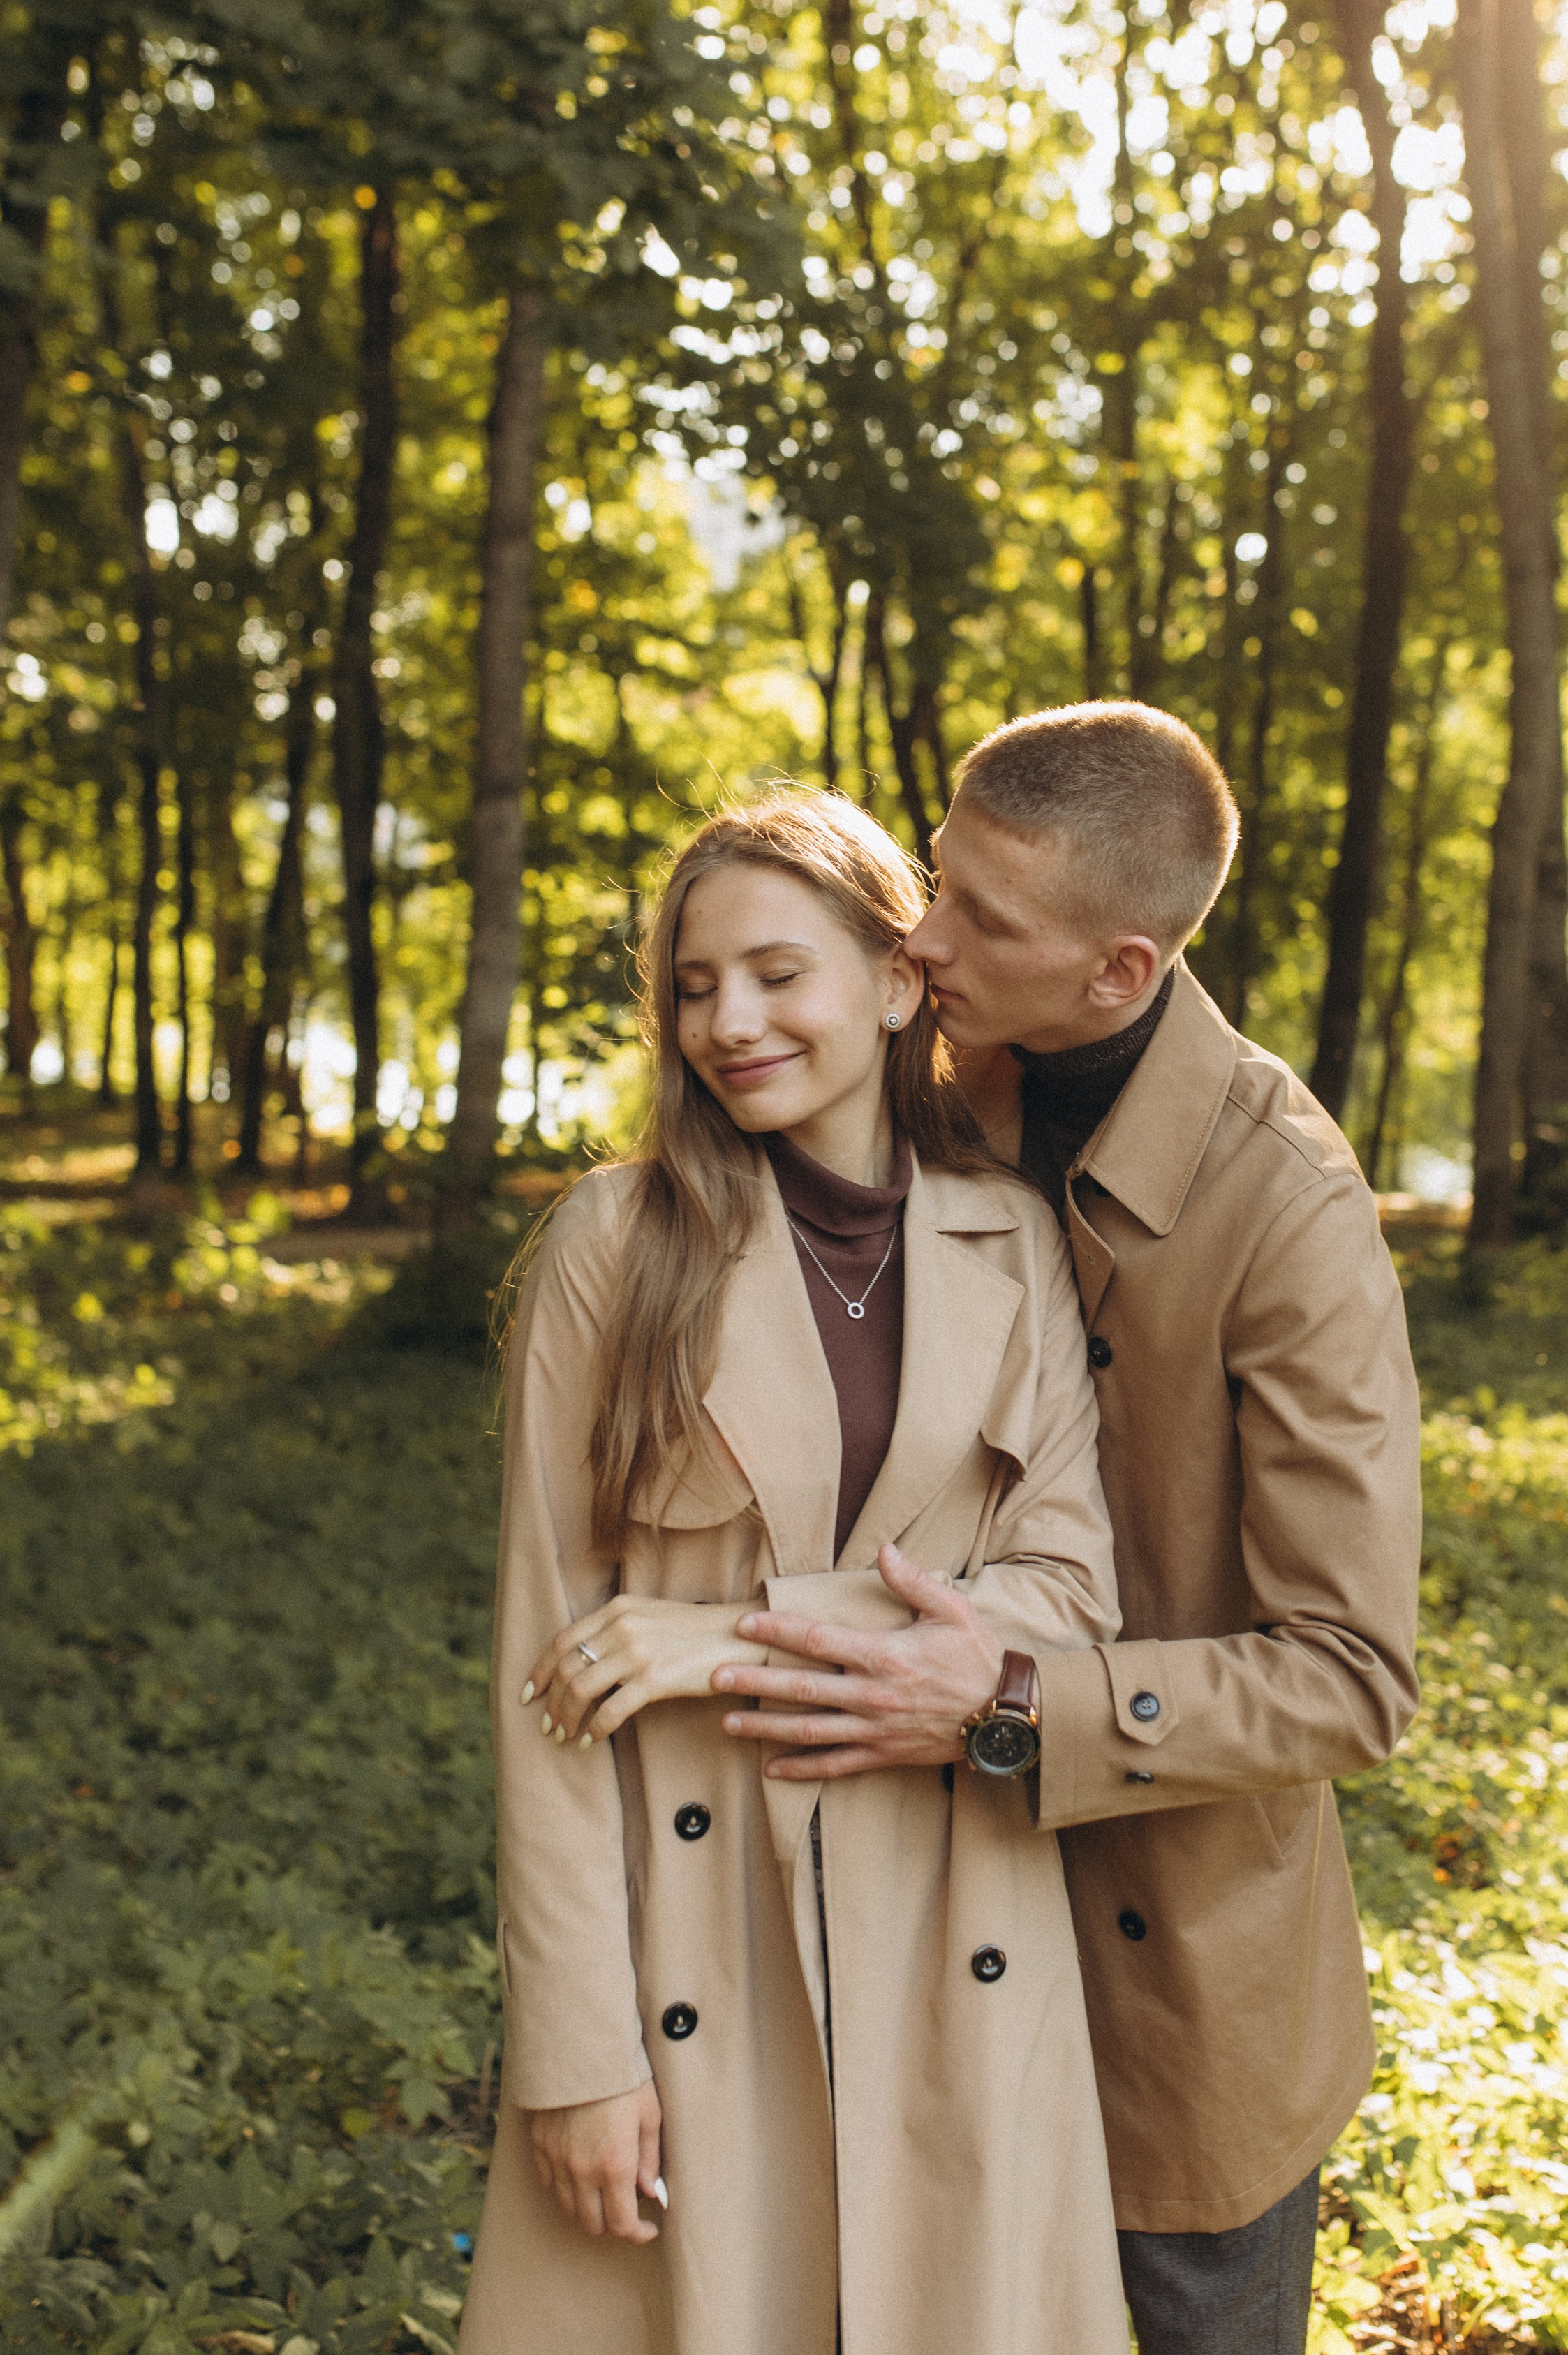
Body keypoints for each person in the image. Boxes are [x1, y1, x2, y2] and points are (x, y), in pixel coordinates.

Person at [723, 704, 1423, 2355]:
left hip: (1175, 1983)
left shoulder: (1292, 1216)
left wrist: (1014, 1702)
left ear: (1117, 972)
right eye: (937, 876)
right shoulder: (924, 1090)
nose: (922, 934)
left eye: (981, 920)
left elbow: (1349, 1680)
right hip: (910, 1920)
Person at [457, 790, 1130, 2355]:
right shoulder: (613, 1247)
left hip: (953, 1911)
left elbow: (1069, 1593)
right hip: (693, 1931)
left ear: (897, 984)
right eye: (693, 986)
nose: (727, 1022)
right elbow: (541, 1665)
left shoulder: (1008, 1239)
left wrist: (733, 1639)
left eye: (774, 973)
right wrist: (575, 2054)